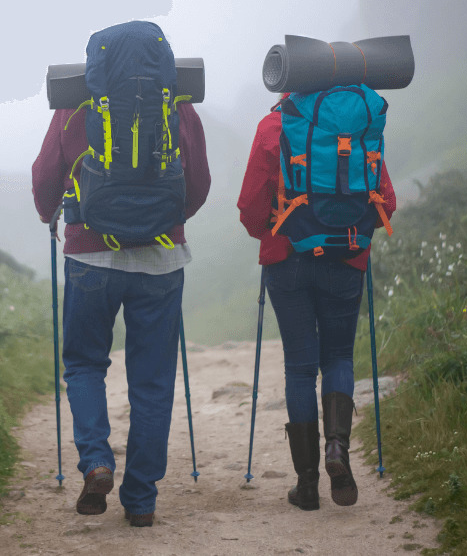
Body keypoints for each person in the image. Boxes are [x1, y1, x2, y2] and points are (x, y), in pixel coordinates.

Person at [31, 49, 210, 528]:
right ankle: (142, 500)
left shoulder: (77, 100)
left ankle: (96, 462)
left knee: (85, 363)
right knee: (152, 380)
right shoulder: (176, 101)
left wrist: (56, 215)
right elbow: (198, 184)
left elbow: (45, 178)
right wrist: (165, 221)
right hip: (161, 257)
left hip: (90, 256)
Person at [236, 93, 396, 511]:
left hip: (287, 260)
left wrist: (272, 230)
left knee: (300, 368)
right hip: (347, 255)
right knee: (339, 357)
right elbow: (387, 202)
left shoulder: (274, 127)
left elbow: (250, 208)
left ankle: (307, 484)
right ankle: (337, 451)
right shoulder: (359, 124)